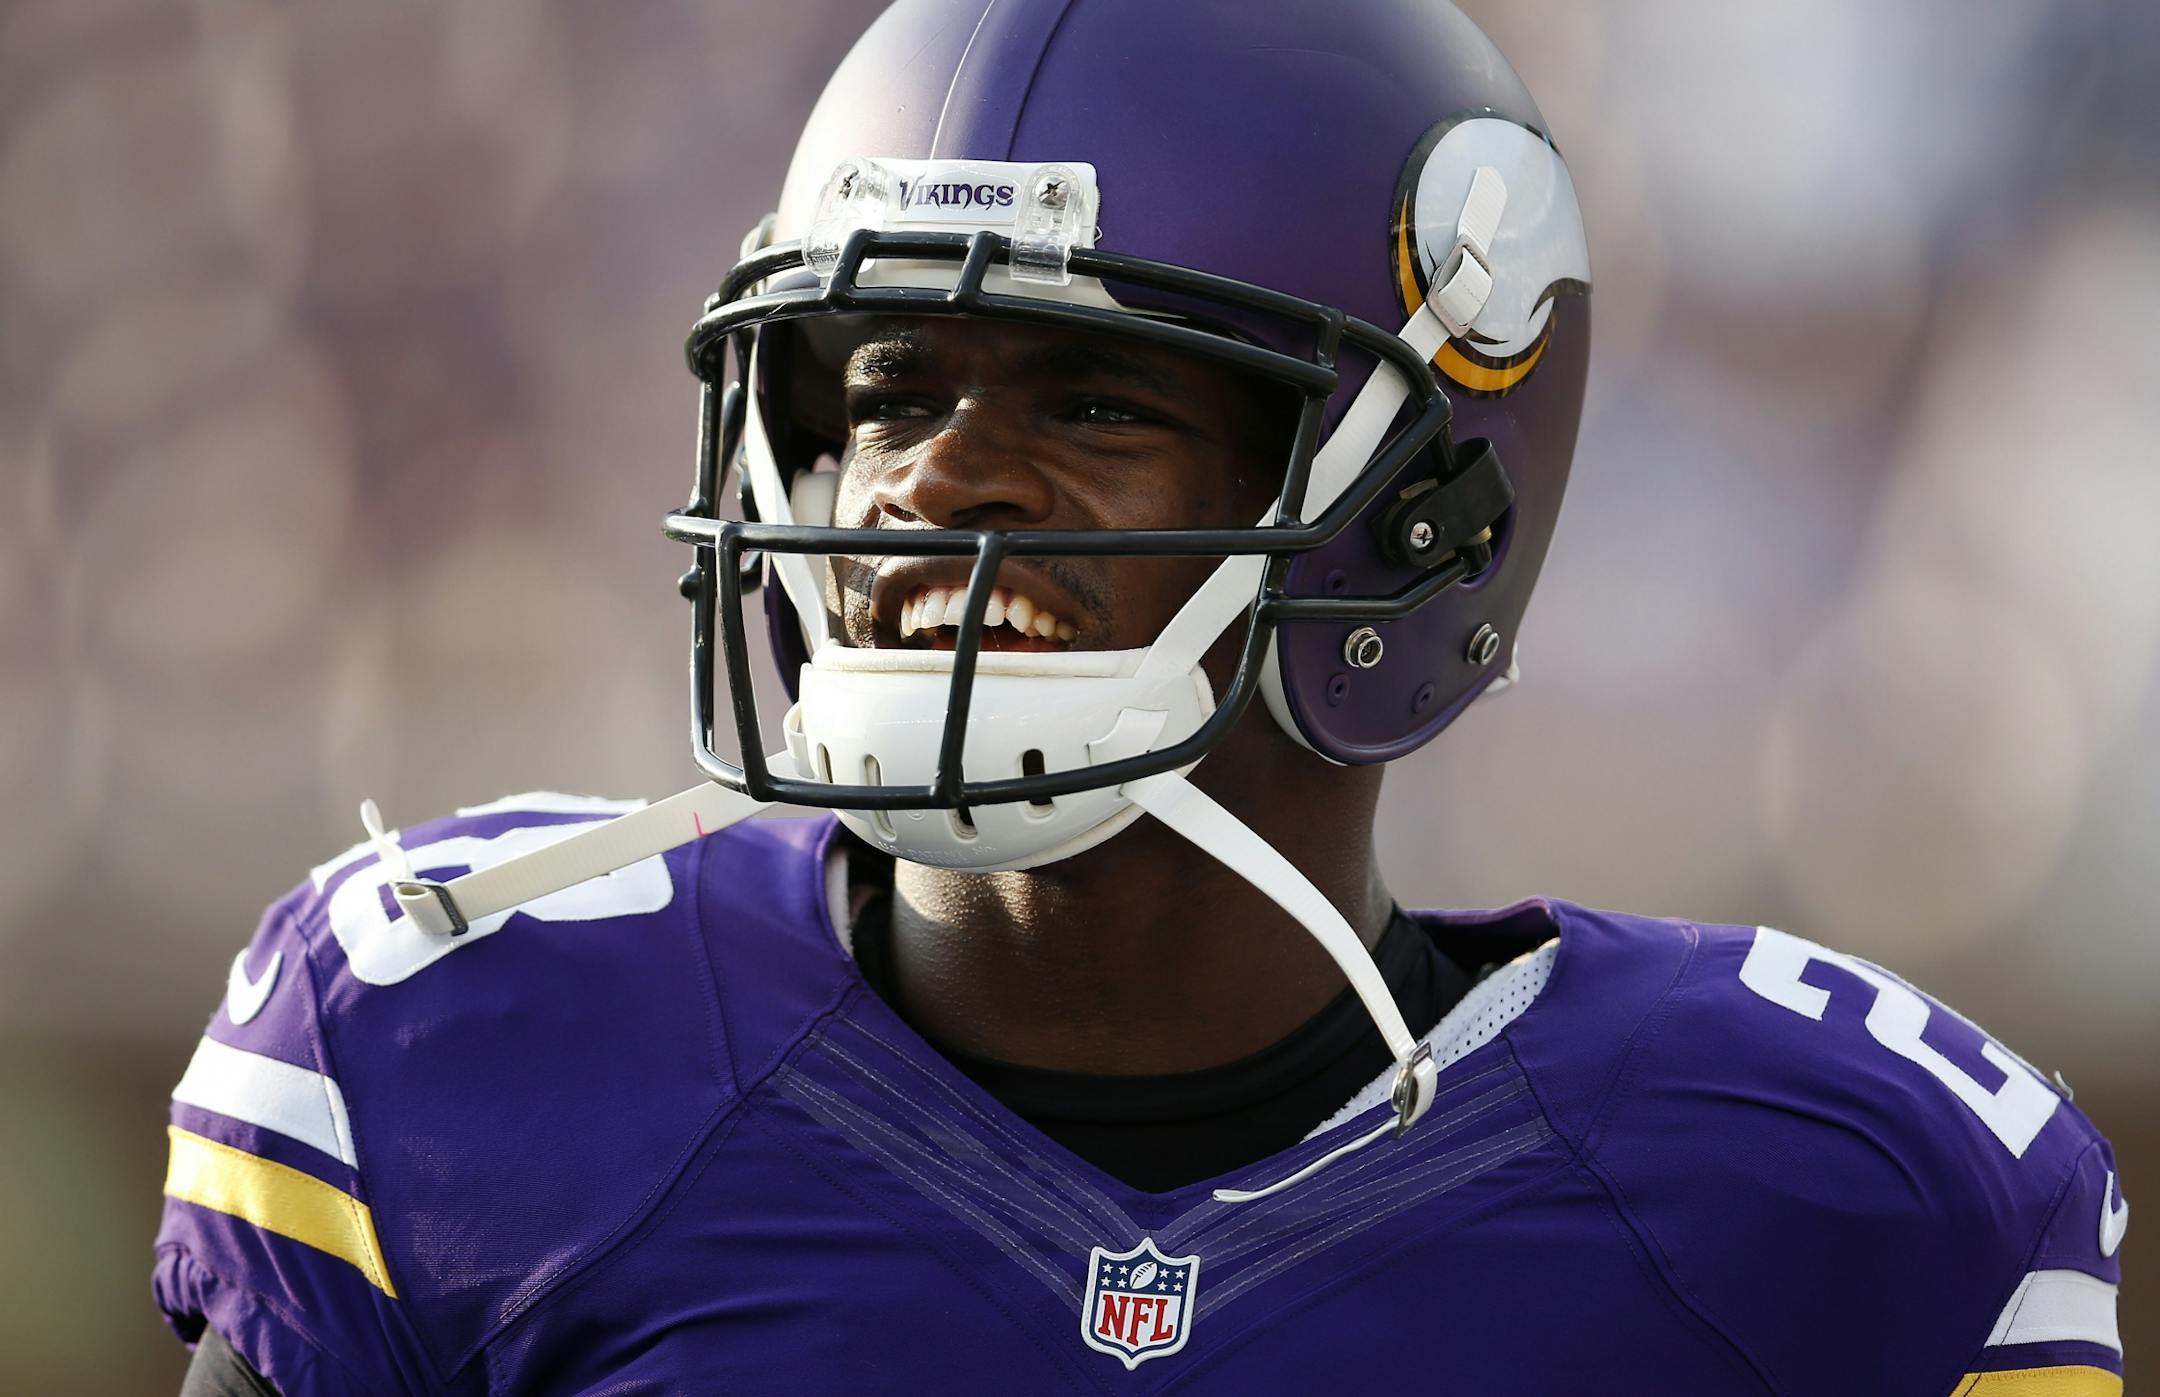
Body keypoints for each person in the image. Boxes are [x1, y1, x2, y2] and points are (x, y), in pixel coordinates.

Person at [154, 1, 2126, 1392]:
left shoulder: (1827, 1188)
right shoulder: (460, 1048)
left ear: (1412, 514)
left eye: (1093, 400)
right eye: (885, 392)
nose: (934, 481)